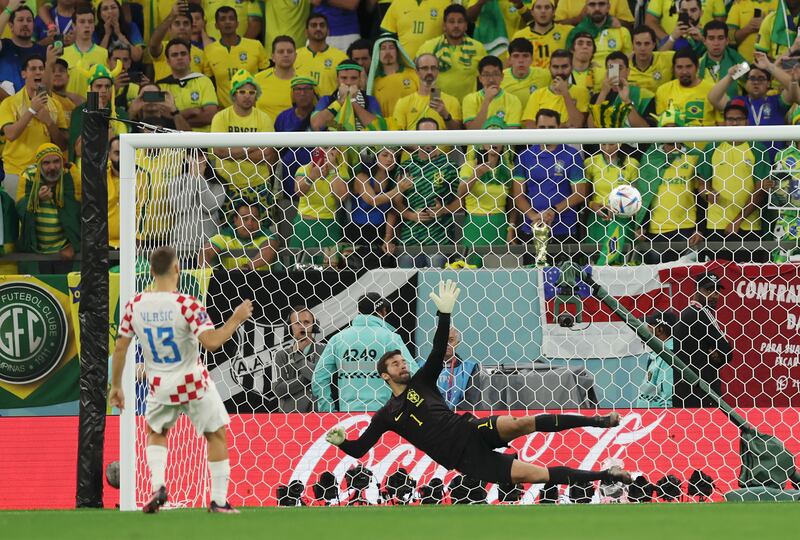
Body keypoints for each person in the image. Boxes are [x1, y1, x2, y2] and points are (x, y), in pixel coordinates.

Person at [325, 280, 632, 489]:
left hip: (470, 429)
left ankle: (597, 420)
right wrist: (342, 443)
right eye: (395, 364)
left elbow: (435, 349)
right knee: (537, 474)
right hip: (467, 459)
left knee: (523, 422)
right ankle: (607, 475)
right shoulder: (386, 415)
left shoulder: (422, 381)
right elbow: (360, 449)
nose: (403, 364)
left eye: (402, 361)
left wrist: (444, 313)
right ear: (385, 376)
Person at [109, 245, 253, 513]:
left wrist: (117, 385)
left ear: (151, 271)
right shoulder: (188, 305)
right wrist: (236, 319)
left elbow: (120, 348)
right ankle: (219, 501)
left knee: (157, 432)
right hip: (192, 381)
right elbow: (211, 342)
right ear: (177, 269)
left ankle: (158, 486)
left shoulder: (134, 306)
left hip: (159, 385)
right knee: (216, 435)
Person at [312, 292, 417, 412]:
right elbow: (413, 372)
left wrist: (328, 412)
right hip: (386, 416)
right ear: (382, 311)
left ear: (359, 311)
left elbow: (318, 378)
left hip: (348, 416)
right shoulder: (391, 338)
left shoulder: (338, 339)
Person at [695, 99, 771, 262]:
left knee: (747, 280)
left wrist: (737, 221)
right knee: (718, 280)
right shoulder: (711, 147)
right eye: (730, 119)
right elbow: (701, 184)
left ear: (746, 122)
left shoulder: (758, 149)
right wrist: (707, 193)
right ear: (724, 122)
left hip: (748, 226)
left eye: (738, 119)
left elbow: (761, 190)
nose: (734, 123)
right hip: (715, 226)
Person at [513, 109, 586, 259]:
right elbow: (518, 196)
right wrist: (534, 217)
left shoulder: (571, 155)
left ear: (559, 127)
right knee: (534, 279)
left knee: (565, 279)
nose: (546, 131)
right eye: (542, 127)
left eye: (551, 128)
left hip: (565, 230)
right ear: (535, 128)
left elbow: (580, 194)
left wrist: (553, 211)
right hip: (532, 229)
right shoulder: (524, 156)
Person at [634, 107, 703, 264]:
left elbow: (701, 196)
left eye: (674, 128)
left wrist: (700, 228)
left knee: (683, 279)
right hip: (656, 229)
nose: (670, 133)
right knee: (657, 281)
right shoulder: (651, 158)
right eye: (666, 129)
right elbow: (645, 194)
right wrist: (641, 225)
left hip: (687, 228)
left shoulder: (694, 156)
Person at [0, 54, 68, 201]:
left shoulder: (55, 105)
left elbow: (63, 145)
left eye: (41, 69)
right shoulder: (9, 103)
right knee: (15, 220)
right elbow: (10, 135)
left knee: (43, 222)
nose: (38, 72)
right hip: (16, 172)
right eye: (33, 69)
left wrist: (49, 122)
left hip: (47, 173)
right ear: (24, 73)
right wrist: (32, 111)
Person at [395, 118, 459, 268]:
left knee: (435, 285)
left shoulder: (449, 166)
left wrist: (443, 210)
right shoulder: (406, 167)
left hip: (439, 238)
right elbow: (396, 201)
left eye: (432, 133)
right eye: (424, 133)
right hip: (409, 238)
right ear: (416, 136)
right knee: (405, 286)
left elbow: (461, 201)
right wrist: (411, 215)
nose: (429, 138)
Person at [210, 69, 277, 196]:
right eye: (242, 92)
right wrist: (252, 147)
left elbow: (267, 154)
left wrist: (232, 152)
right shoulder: (220, 117)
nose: (247, 96)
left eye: (252, 92)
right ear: (234, 94)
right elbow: (219, 151)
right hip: (226, 185)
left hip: (259, 184)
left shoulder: (264, 118)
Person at [15, 143, 80, 274]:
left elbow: (82, 212)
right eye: (46, 163)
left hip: (65, 251)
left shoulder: (71, 176)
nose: (52, 167)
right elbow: (20, 208)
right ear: (38, 165)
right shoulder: (28, 177)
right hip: (36, 251)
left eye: (56, 161)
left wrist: (73, 245)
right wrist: (36, 198)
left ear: (63, 161)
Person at [671, 271, 733, 408]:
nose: (714, 295)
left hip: (685, 392)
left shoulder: (686, 313)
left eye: (717, 291)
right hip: (703, 393)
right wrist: (717, 354)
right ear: (697, 290)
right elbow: (727, 351)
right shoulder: (701, 312)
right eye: (709, 290)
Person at [348, 146, 409, 268]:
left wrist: (388, 237)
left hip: (383, 232)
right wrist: (398, 189)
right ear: (376, 158)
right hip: (359, 233)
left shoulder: (394, 180)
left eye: (393, 156)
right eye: (385, 155)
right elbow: (372, 200)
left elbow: (393, 210)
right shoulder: (361, 177)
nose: (390, 159)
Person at [291, 146, 349, 266]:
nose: (329, 152)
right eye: (326, 148)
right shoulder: (305, 168)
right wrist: (312, 177)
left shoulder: (340, 170)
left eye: (334, 149)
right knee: (299, 269)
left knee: (329, 271)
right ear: (317, 149)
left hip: (328, 226)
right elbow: (298, 192)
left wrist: (333, 171)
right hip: (304, 225)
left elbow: (342, 196)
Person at [416, 4, 487, 103]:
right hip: (437, 105)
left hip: (467, 107)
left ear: (466, 26)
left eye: (460, 21)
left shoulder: (478, 48)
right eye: (451, 22)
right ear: (444, 26)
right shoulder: (429, 47)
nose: (456, 25)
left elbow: (484, 79)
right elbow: (418, 77)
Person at [708, 52, 798, 127]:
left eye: (761, 78)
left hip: (776, 149)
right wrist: (730, 77)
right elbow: (713, 98)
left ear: (768, 83)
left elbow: (792, 85)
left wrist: (769, 67)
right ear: (746, 82)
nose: (756, 82)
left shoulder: (777, 101)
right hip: (746, 148)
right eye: (752, 78)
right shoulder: (739, 102)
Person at [585, 142, 639, 265]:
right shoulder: (591, 162)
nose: (608, 148)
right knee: (596, 257)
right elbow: (584, 194)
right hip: (598, 218)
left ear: (619, 144)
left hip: (623, 218)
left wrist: (619, 207)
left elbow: (637, 197)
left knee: (619, 259)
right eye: (603, 144)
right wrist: (591, 204)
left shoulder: (632, 163)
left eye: (612, 144)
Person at [203, 6, 268, 108]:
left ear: (237, 23)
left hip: (254, 109)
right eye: (223, 19)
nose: (227, 22)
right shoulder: (209, 51)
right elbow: (210, 85)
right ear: (216, 25)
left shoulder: (256, 45)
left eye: (231, 18)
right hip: (225, 112)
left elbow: (266, 78)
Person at [155, 38, 218, 132]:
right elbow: (159, 119)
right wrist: (191, 112)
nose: (179, 57)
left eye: (183, 54)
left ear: (189, 58)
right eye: (174, 55)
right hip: (171, 143)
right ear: (168, 61)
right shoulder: (160, 86)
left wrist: (174, 116)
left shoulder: (204, 81)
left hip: (201, 142)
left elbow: (210, 116)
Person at [273, 306, 325, 413]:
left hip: (320, 414)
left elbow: (322, 379)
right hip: (290, 417)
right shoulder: (281, 354)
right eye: (297, 323)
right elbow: (279, 390)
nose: (302, 326)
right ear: (290, 326)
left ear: (313, 325)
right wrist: (307, 377)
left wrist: (298, 357)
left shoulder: (325, 350)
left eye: (306, 322)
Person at [392, 53, 463, 130]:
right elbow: (397, 135)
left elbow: (457, 134)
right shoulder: (403, 103)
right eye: (425, 68)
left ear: (438, 71)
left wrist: (445, 115)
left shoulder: (452, 101)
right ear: (417, 72)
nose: (429, 72)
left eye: (433, 68)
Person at [201, 199, 278, 270]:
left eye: (254, 219)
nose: (250, 223)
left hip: (262, 281)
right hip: (229, 281)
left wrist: (247, 267)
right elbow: (206, 252)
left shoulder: (266, 234)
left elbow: (269, 251)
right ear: (235, 220)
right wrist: (207, 271)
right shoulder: (226, 235)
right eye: (245, 219)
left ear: (260, 221)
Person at [521, 48, 590, 128]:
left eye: (564, 67)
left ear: (571, 67)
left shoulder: (582, 92)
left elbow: (577, 124)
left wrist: (565, 93)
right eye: (555, 67)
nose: (560, 71)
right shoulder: (537, 94)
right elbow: (530, 126)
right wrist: (563, 126)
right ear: (549, 68)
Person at [274, 76, 317, 199]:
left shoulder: (321, 117)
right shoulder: (283, 118)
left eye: (307, 89)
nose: (302, 93)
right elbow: (276, 151)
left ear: (314, 93)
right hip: (288, 179)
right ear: (292, 93)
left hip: (316, 180)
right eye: (298, 89)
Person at [588, 51, 655, 128]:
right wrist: (603, 93)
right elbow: (591, 127)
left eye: (620, 68)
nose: (616, 73)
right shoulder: (597, 97)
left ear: (628, 71)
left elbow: (645, 129)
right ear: (607, 72)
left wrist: (626, 101)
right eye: (612, 68)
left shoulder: (644, 96)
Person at [427, 325, 487, 410]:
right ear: (435, 342)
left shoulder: (470, 369)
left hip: (457, 420)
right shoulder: (421, 367)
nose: (446, 344)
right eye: (442, 339)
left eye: (451, 340)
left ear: (457, 343)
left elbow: (470, 401)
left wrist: (448, 417)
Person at [310, 61, 381, 131]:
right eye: (344, 78)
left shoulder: (370, 100)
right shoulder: (327, 99)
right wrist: (340, 101)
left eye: (354, 78)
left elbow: (379, 127)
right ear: (337, 80)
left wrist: (353, 102)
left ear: (359, 80)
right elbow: (316, 125)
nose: (348, 82)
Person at [655, 49, 716, 128]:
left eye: (689, 67)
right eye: (679, 67)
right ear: (673, 69)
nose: (684, 72)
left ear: (697, 67)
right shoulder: (663, 90)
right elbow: (661, 125)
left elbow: (722, 124)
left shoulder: (712, 90)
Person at [148, 3, 206, 83]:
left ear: (192, 28)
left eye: (186, 23)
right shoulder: (163, 48)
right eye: (177, 23)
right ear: (170, 29)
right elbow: (153, 44)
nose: (182, 27)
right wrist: (171, 16)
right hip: (165, 94)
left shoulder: (201, 53)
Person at [295, 12, 348, 97]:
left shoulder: (341, 57)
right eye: (314, 25)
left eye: (322, 25)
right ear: (306, 32)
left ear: (328, 31)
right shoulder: (295, 55)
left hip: (330, 107)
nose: (318, 28)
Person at [462, 56, 522, 129]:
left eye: (495, 74)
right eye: (486, 75)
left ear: (502, 77)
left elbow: (512, 134)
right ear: (480, 78)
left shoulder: (513, 100)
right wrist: (487, 101)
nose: (491, 80)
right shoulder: (470, 99)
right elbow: (472, 131)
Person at [61, 3, 108, 97]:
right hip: (69, 108)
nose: (87, 25)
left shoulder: (104, 53)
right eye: (82, 22)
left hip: (94, 108)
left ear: (94, 26)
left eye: (90, 22)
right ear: (74, 26)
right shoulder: (63, 54)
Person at [366, 33, 418, 118]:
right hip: (388, 129)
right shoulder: (373, 83)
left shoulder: (414, 74)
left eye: (391, 47)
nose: (387, 52)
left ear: (398, 52)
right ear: (377, 53)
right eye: (383, 48)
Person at [0, 1, 45, 98]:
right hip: (4, 107)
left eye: (29, 20)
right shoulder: (4, 46)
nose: (25, 24)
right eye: (20, 20)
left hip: (35, 107)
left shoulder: (42, 51)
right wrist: (9, 9)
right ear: (11, 26)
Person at [565, 0, 632, 65]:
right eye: (592, 4)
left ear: (608, 7)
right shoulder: (575, 33)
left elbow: (627, 63)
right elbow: (569, 64)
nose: (597, 8)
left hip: (613, 73)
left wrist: (613, 74)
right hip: (585, 74)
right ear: (586, 9)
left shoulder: (622, 32)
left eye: (601, 4)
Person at [511, 0, 573, 68]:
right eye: (538, 7)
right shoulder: (520, 36)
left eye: (547, 7)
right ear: (532, 12)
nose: (543, 11)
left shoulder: (568, 32)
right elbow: (510, 65)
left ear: (554, 12)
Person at [635, 310, 679, 408]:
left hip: (656, 419)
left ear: (659, 330)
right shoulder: (658, 354)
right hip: (646, 417)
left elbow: (667, 398)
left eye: (650, 326)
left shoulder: (669, 357)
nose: (646, 329)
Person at [379, 0, 450, 58]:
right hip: (406, 67)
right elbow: (388, 36)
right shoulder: (398, 3)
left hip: (434, 66)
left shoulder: (446, 3)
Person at [466, 0, 534, 57]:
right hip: (487, 52)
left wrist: (520, 5)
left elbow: (535, 22)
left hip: (518, 52)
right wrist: (481, 2)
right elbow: (469, 17)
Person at [697, 20, 746, 98]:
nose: (716, 43)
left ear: (727, 40)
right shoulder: (697, 66)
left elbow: (753, 89)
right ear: (704, 41)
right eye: (711, 38)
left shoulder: (739, 64)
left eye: (720, 38)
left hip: (732, 108)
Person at [255, 35, 298, 121]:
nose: (286, 55)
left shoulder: (303, 81)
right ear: (273, 57)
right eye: (281, 52)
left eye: (289, 51)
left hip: (292, 133)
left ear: (295, 56)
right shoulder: (257, 79)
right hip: (263, 132)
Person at [500, 38, 551, 107]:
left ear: (532, 59)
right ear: (509, 60)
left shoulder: (546, 76)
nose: (521, 60)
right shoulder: (500, 78)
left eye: (525, 56)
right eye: (516, 56)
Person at [645, 0, 725, 42]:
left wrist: (704, 41)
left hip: (704, 50)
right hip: (670, 51)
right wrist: (670, 40)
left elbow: (720, 24)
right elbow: (650, 21)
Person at [628, 25, 674, 94]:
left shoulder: (668, 58)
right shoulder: (619, 64)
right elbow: (609, 88)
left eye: (647, 44)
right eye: (638, 44)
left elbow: (691, 58)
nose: (642, 48)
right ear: (632, 45)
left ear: (653, 45)